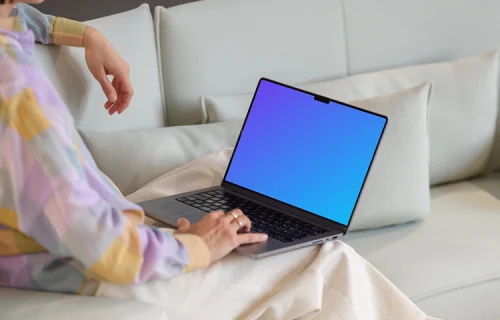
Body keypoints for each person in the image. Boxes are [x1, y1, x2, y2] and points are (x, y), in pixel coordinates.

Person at [0, 2, 437, 319]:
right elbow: (107, 252)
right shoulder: (16, 98)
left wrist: (86, 35)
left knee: (218, 170)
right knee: (327, 259)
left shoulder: (6, 35)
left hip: (84, 235)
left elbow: (19, 22)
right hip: (98, 278)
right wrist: (200, 247)